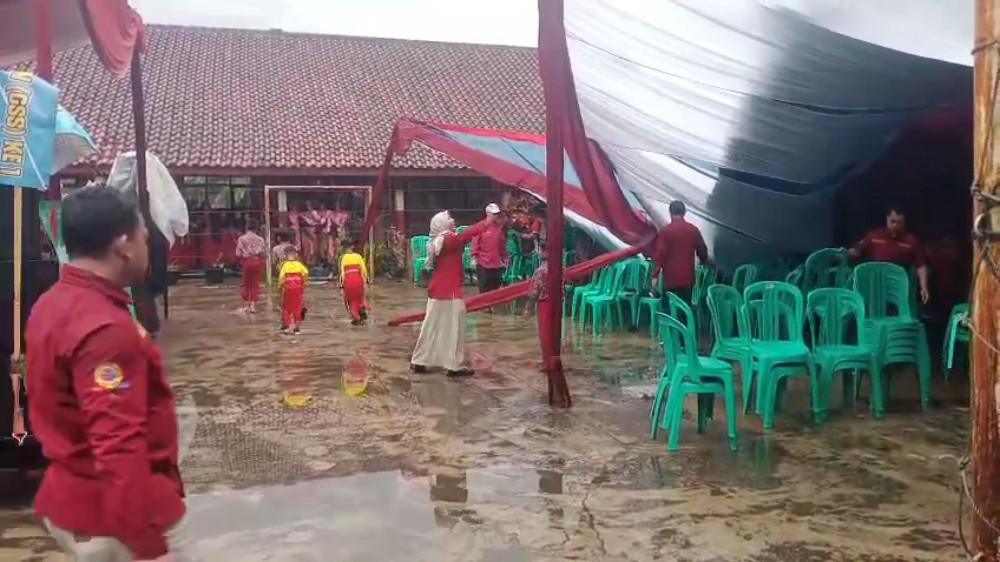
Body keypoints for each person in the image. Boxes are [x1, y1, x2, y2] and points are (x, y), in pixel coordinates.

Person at [25, 187, 196, 561]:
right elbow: (117, 442)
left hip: (76, 497)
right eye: (145, 239)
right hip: (116, 514)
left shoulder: (51, 304)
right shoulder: (105, 328)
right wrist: (148, 545)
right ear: (124, 245)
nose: (148, 250)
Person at [410, 210, 490, 377]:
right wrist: (487, 222)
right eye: (449, 219)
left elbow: (464, 236)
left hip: (438, 290)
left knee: (432, 327)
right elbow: (466, 235)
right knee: (455, 328)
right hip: (450, 291)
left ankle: (420, 360)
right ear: (442, 224)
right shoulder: (448, 239)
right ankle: (454, 365)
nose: (453, 221)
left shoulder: (438, 241)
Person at [848, 206, 930, 303]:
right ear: (887, 219)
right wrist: (848, 253)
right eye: (892, 221)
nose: (895, 225)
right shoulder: (873, 236)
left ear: (904, 224)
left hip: (898, 287)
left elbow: (921, 265)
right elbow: (857, 252)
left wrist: (924, 287)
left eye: (899, 223)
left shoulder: (911, 241)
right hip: (874, 284)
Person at [650, 200, 710, 305]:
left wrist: (655, 275)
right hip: (687, 277)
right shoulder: (693, 230)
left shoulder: (665, 231)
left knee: (669, 306)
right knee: (685, 306)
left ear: (670, 212)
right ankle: (684, 321)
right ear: (684, 212)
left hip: (670, 277)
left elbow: (660, 254)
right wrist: (704, 262)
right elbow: (702, 250)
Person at [523, 243, 564, 367]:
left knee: (545, 333)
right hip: (558, 303)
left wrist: (528, 308)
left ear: (544, 252)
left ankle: (547, 361)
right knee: (556, 332)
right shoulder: (561, 268)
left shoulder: (540, 271)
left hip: (545, 304)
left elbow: (534, 291)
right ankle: (555, 358)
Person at [471, 203, 509, 297]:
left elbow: (502, 245)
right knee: (484, 285)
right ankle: (483, 305)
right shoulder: (480, 226)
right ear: (488, 213)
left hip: (496, 262)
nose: (496, 216)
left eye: (497, 214)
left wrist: (505, 258)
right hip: (483, 261)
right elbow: (475, 242)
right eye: (494, 213)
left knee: (495, 284)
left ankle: (492, 304)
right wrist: (474, 257)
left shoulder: (499, 228)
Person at [235, 219, 266, 313]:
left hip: (247, 262)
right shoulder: (260, 239)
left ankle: (247, 305)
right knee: (255, 284)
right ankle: (252, 306)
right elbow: (263, 252)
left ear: (246, 227)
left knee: (246, 283)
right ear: (256, 228)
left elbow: (238, 253)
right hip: (258, 261)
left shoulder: (242, 239)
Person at [278, 247, 310, 335]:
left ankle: (288, 325)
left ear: (286, 256)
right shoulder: (299, 265)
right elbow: (306, 273)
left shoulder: (285, 265)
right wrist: (304, 281)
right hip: (299, 288)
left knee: (287, 308)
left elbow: (281, 278)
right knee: (298, 307)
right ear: (296, 255)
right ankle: (297, 327)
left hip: (288, 289)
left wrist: (280, 287)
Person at [339, 239, 370, 325]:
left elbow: (342, 274)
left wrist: (341, 287)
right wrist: (366, 283)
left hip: (348, 281)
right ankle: (361, 311)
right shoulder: (358, 257)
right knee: (359, 298)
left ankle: (356, 316)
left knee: (350, 300)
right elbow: (364, 271)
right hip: (358, 280)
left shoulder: (343, 258)